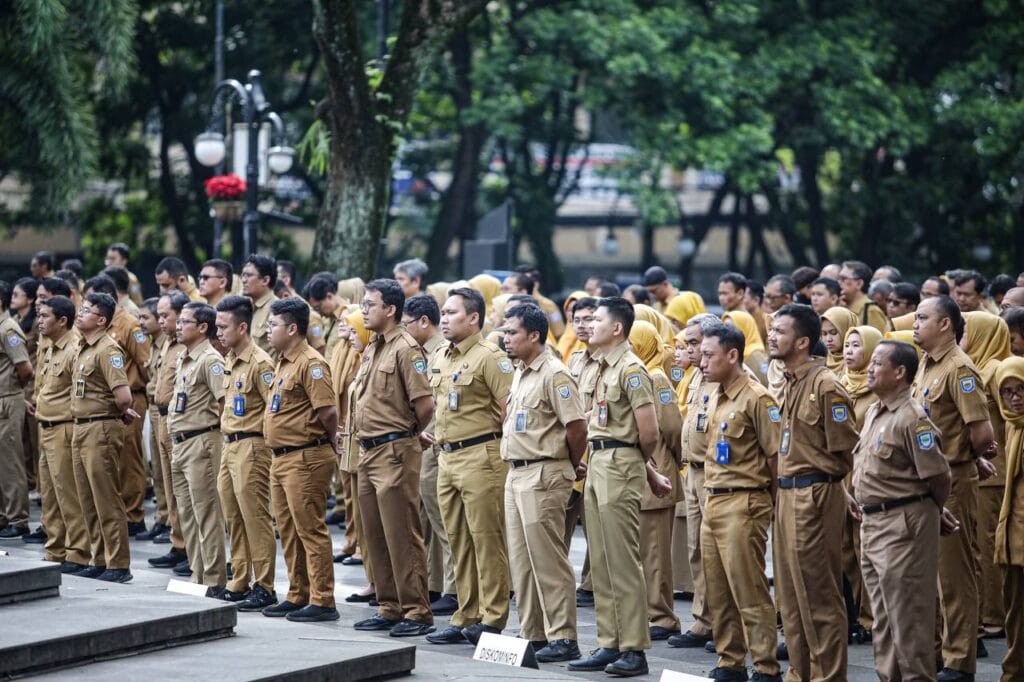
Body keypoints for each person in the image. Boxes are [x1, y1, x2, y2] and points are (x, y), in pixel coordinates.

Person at [566, 297, 672, 678]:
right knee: (602, 561)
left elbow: (649, 433)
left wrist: (637, 465)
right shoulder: (602, 367)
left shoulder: (631, 369)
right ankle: (609, 642)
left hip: (619, 462)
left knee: (623, 561)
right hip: (598, 462)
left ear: (616, 328)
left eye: (597, 319)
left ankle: (634, 648)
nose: (589, 324)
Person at [851, 340, 953, 681]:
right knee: (883, 620)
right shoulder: (875, 412)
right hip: (873, 523)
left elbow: (938, 475)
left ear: (899, 372)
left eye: (877, 363)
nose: (870, 368)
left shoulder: (912, 419)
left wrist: (933, 511)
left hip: (903, 523)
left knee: (908, 619)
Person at [767, 304, 859, 681]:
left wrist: (831, 490)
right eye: (771, 329)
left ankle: (828, 676)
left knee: (818, 594)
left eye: (780, 331)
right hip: (787, 493)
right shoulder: (790, 381)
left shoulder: (826, 385)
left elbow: (845, 451)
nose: (772, 336)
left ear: (803, 342)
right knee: (790, 596)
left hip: (815, 492)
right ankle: (799, 673)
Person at [912, 295, 998, 680]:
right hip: (926, 479)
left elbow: (981, 434)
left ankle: (959, 660)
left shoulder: (959, 368)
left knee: (954, 573)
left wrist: (966, 458)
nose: (915, 324)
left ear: (945, 324)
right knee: (929, 573)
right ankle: (934, 652)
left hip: (953, 479)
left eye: (922, 317)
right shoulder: (927, 364)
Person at [424, 288, 514, 646]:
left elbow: (509, 409)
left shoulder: (490, 357)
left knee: (486, 540)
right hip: (447, 457)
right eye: (443, 312)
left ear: (473, 318)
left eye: (452, 313)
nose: (444, 319)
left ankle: (492, 618)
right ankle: (466, 613)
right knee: (458, 541)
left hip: (481, 455)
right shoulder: (441, 355)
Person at [349, 279, 436, 637]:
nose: (364, 310)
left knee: (402, 534)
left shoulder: (406, 348)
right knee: (375, 534)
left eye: (370, 304)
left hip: (394, 450)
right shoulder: (374, 346)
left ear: (390, 309)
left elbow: (425, 405)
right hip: (368, 450)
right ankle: (389, 606)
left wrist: (407, 433)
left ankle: (416, 611)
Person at [500, 303, 587, 662]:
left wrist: (569, 464)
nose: (505, 338)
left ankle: (563, 636)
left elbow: (577, 428)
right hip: (516, 471)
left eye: (512, 333)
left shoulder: (555, 374)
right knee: (521, 562)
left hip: (544, 471)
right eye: (505, 332)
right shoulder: (521, 371)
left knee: (548, 560)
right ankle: (533, 634)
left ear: (534, 335)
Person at [697, 322, 782, 682]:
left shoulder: (757, 398)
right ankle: (729, 661)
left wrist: (772, 506)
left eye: (708, 355)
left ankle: (765, 665)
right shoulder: (716, 393)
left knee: (749, 589)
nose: (701, 362)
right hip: (714, 500)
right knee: (718, 590)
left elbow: (776, 458)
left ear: (732, 355)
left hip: (744, 501)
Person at [261, 298, 340, 622]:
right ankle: (298, 593)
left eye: (273, 325)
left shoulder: (312, 363)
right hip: (282, 457)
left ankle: (323, 599)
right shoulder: (283, 361)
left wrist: (329, 441)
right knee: (289, 529)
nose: (268, 330)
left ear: (292, 328)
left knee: (310, 529)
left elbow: (328, 412)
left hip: (305, 455)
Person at [214, 296, 279, 612]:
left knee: (255, 517)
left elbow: (273, 410)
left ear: (242, 327)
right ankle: (239, 580)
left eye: (223, 327)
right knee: (233, 517)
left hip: (252, 445)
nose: (218, 332)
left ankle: (264, 586)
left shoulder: (260, 363)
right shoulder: (230, 358)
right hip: (230, 445)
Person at [70, 292, 139, 582]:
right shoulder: (84, 347)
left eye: (87, 310)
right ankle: (98, 558)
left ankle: (118, 564)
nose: (80, 313)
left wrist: (120, 410)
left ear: (101, 320)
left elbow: (123, 397)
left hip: (100, 428)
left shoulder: (108, 349)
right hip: (81, 426)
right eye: (81, 308)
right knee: (88, 499)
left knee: (106, 497)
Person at [401, 294, 458, 616]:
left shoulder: (442, 352)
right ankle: (434, 583)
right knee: (426, 523)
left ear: (424, 321)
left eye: (406, 324)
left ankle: (454, 589)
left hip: (438, 448)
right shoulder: (424, 352)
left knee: (445, 523)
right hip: (424, 447)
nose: (404, 331)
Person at [628, 321, 684, 643]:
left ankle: (663, 615)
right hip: (640, 475)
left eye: (633, 343)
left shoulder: (656, 377)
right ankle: (648, 612)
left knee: (656, 554)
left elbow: (673, 427)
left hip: (658, 469)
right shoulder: (634, 373)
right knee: (642, 552)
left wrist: (676, 459)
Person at [667, 313, 719, 650]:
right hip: (693, 472)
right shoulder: (697, 376)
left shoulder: (722, 379)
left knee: (716, 551)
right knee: (697, 549)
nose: (689, 350)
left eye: (695, 343)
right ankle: (704, 619)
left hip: (716, 474)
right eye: (687, 344)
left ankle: (725, 622)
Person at [84, 275, 150, 537]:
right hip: (105, 402)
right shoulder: (96, 330)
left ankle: (134, 514)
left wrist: (140, 393)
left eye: (90, 302)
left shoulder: (129, 323)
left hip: (130, 398)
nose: (85, 308)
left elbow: (145, 363)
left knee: (129, 457)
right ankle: (118, 512)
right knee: (111, 460)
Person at [169, 302, 227, 595]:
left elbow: (224, 403)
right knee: (187, 515)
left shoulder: (210, 360)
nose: (178, 326)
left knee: (207, 513)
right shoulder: (185, 357)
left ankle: (214, 579)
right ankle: (197, 575)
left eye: (184, 322)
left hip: (202, 441)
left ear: (203, 327)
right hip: (180, 443)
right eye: (178, 321)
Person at [960, 312, 1012, 639]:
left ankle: (994, 614)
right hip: (983, 471)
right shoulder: (975, 366)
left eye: (966, 331)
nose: (960, 335)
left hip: (995, 472)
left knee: (987, 544)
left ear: (982, 334)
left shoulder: (995, 369)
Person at [30, 296, 90, 569]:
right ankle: (56, 549)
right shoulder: (52, 348)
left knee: (68, 494)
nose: (39, 321)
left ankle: (77, 552)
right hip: (46, 426)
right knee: (50, 496)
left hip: (63, 428)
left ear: (62, 320)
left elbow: (79, 393)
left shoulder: (73, 350)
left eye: (45, 316)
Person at [839, 324, 884, 640]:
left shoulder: (877, 391)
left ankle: (870, 617)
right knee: (843, 548)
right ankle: (851, 613)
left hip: (865, 474)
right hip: (841, 475)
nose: (849, 351)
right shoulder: (839, 384)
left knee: (864, 546)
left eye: (857, 345)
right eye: (847, 345)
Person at [147, 293, 189, 570]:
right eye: (159, 316)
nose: (161, 321)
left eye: (166, 316)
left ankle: (190, 548)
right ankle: (178, 542)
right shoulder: (167, 343)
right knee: (168, 486)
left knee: (183, 489)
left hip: (179, 421)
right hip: (161, 418)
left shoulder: (188, 346)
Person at [566, 297, 600, 608]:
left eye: (589, 319)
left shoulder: (608, 362)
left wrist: (579, 419)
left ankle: (591, 584)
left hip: (596, 453)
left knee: (595, 526)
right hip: (572, 451)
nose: (582, 325)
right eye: (577, 319)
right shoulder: (575, 359)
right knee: (563, 519)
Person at [993, 357, 1024, 681]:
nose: (1015, 398)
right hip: (1013, 532)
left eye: (1021, 389)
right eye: (1007, 392)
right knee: (1015, 610)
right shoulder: (1012, 424)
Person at [136, 297, 170, 542]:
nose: (141, 322)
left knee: (167, 469)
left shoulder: (169, 344)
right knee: (157, 468)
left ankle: (172, 523)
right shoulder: (155, 344)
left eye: (146, 317)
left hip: (165, 410)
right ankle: (162, 517)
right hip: (153, 406)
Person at [0, 282, 33, 539]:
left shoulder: (8, 329)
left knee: (10, 462)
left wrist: (14, 393)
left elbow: (25, 369)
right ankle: (4, 515)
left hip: (8, 400)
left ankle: (18, 519)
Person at [242, 254, 279, 357]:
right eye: (243, 275)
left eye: (249, 275)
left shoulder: (277, 310)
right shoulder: (244, 307)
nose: (244, 280)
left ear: (265, 280)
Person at [839, 261, 890, 333]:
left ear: (859, 284)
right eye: (839, 278)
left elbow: (877, 338)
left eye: (843, 279)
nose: (839, 282)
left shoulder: (870, 311)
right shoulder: (840, 306)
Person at [721, 310, 769, 385]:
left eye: (730, 328)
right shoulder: (733, 353)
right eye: (724, 329)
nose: (724, 334)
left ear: (743, 329)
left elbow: (765, 384)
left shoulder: (755, 357)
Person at [305, 275, 345, 359]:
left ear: (329, 297)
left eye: (318, 308)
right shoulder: (327, 319)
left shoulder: (349, 318)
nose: (319, 314)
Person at [820, 306, 859, 376]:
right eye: (824, 334)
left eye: (833, 332)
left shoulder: (859, 363)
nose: (828, 339)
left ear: (847, 330)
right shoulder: (820, 361)